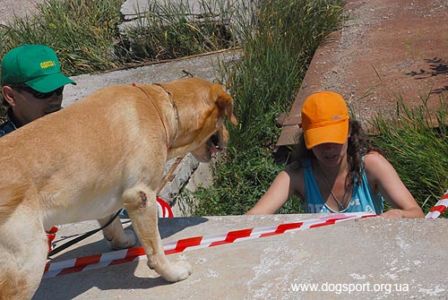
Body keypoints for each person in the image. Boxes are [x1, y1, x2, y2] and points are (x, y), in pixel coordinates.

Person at [247, 91, 424, 218]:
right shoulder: (296, 176)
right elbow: (250, 220)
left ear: (348, 130)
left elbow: (416, 213)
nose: (328, 149)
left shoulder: (372, 166)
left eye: (334, 139)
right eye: (319, 141)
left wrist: (397, 215)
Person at [0, 44, 76, 137]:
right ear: (10, 96)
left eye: (59, 89)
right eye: (43, 93)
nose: (55, 100)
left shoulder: (77, 127)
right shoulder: (4, 148)